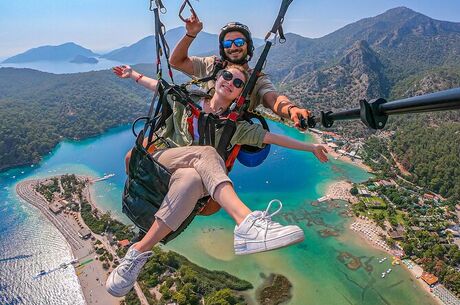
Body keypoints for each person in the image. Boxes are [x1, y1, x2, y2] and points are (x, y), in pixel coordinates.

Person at [106, 65, 328, 297]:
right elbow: (160, 88)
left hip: (182, 179)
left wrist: (311, 147)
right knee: (208, 153)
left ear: (240, 95)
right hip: (160, 163)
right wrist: (133, 75)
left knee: (193, 178)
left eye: (238, 83)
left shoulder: (235, 126)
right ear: (217, 78)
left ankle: (137, 253)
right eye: (227, 76)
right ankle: (245, 222)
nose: (230, 82)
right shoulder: (187, 99)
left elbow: (272, 137)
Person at [169, 13, 311, 129]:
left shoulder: (257, 80)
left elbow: (273, 99)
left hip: (225, 139)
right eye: (227, 43)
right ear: (222, 48)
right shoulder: (212, 65)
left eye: (239, 42)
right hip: (195, 127)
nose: (233, 47)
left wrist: (292, 109)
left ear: (248, 46)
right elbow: (176, 61)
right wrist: (191, 34)